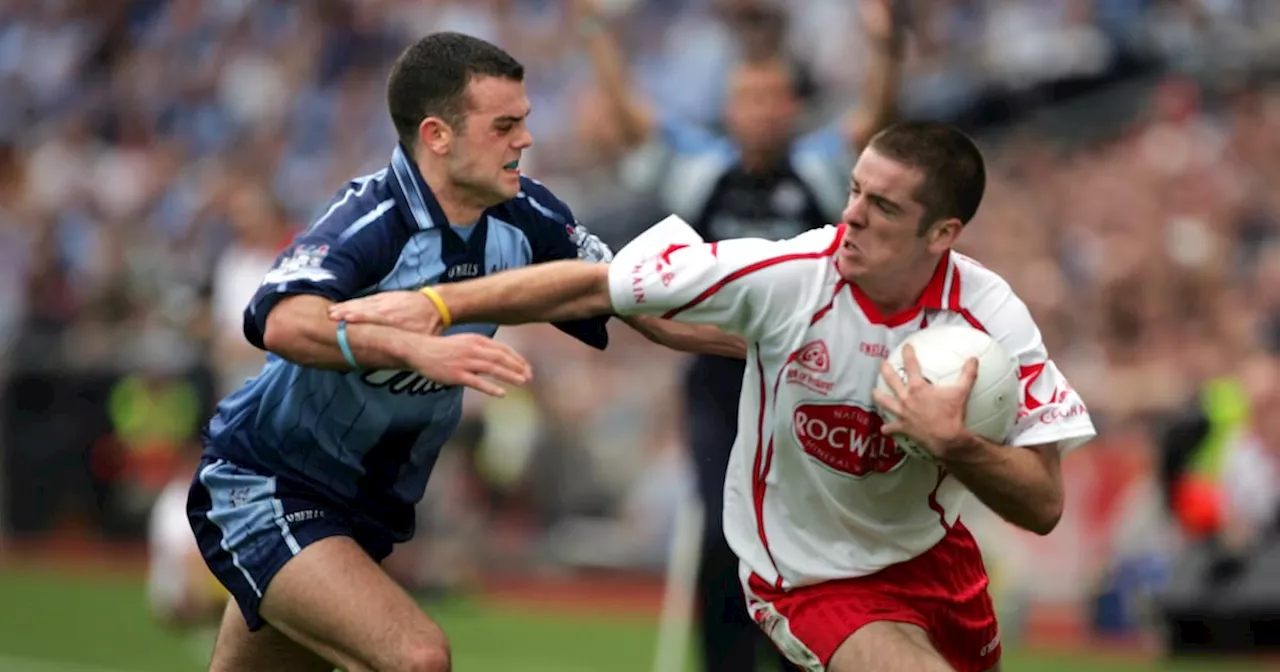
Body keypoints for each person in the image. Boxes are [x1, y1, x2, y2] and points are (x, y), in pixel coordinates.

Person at [330, 121, 1098, 672]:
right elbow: (595, 284)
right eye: (856, 190)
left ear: (944, 234)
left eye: (885, 207)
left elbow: (1043, 505)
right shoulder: (789, 275)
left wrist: (959, 443)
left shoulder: (990, 319)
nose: (852, 214)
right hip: (803, 576)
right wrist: (434, 307)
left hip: (934, 562)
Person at [187, 32, 734, 672]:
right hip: (267, 484)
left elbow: (629, 298)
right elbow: (282, 322)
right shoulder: (372, 217)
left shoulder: (526, 214)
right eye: (504, 126)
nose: (524, 140)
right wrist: (412, 349)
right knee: (418, 658)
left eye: (524, 122)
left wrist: (776, 340)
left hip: (364, 510)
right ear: (438, 136)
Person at [575, 1, 903, 667]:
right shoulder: (701, 170)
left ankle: (801, 654)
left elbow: (879, 125)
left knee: (805, 527)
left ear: (791, 107)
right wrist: (596, 33)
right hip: (720, 379)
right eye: (747, 98)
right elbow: (635, 127)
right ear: (730, 111)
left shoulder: (821, 168)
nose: (760, 109)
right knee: (724, 530)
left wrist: (886, 50)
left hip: (807, 378)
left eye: (771, 97)